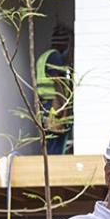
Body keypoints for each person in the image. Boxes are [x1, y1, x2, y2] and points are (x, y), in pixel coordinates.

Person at [36, 24, 73, 154]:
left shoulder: (44, 56)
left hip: (45, 105)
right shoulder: (55, 56)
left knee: (49, 141)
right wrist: (62, 107)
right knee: (56, 140)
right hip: (54, 104)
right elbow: (57, 81)